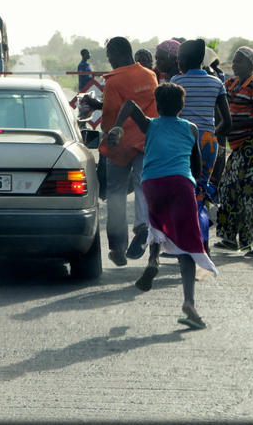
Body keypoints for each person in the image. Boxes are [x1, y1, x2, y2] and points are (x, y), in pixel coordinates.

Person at [107, 82, 218, 330]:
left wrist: (117, 127)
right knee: (187, 243)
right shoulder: (191, 128)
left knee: (158, 225)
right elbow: (197, 166)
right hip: (180, 183)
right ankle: (189, 303)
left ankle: (153, 261)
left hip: (152, 183)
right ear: (182, 106)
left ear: (157, 106)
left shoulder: (151, 124)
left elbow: (129, 105)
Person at [79, 37, 158, 266]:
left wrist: (106, 131)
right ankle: (143, 227)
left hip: (120, 145)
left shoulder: (114, 81)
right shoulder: (149, 75)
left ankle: (117, 248)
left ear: (116, 53)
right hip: (146, 140)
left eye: (109, 55)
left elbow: (112, 116)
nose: (109, 60)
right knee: (144, 185)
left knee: (116, 194)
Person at [170, 39, 232, 252]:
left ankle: (185, 244)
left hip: (183, 141)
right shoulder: (217, 83)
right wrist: (212, 134)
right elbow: (227, 121)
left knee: (182, 192)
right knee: (201, 192)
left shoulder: (177, 81)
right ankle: (204, 246)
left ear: (184, 60)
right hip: (208, 142)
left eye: (179, 58)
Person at [213, 47, 253, 257]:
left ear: (251, 65)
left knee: (252, 190)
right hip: (239, 144)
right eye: (235, 59)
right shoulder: (230, 83)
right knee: (228, 187)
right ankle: (232, 239)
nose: (235, 63)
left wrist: (237, 123)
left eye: (239, 60)